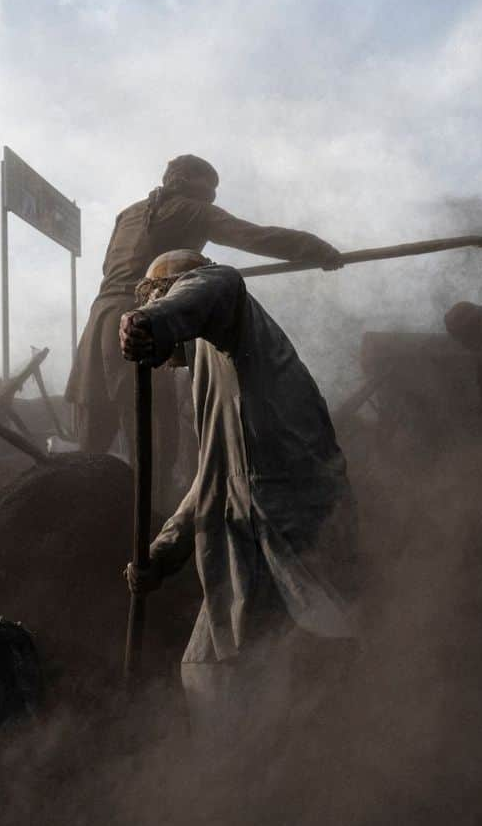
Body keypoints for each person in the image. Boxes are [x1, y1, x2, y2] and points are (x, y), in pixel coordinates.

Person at [120, 249, 357, 742]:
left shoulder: (234, 320)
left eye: (156, 292)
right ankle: (233, 786)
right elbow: (211, 481)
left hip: (292, 522)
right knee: (209, 667)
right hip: (244, 531)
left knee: (318, 646)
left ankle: (340, 766)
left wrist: (151, 319)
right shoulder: (208, 370)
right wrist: (162, 553)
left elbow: (218, 281)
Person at [65, 154, 341, 468]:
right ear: (191, 182)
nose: (213, 195)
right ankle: (153, 515)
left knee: (90, 449)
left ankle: (89, 508)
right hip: (142, 322)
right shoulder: (194, 210)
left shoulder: (127, 214)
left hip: (99, 321)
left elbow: (108, 268)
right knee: (156, 446)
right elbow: (256, 237)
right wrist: (318, 249)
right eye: (210, 187)